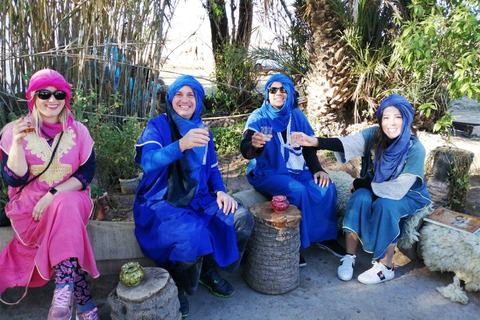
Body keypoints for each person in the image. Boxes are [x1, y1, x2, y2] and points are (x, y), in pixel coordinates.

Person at [133, 75, 254, 318]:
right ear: (170, 98)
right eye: (179, 94)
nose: (185, 100)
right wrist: (181, 145)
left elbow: (211, 169)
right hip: (162, 201)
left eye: (191, 95)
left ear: (198, 100)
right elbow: (148, 161)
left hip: (200, 199)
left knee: (241, 218)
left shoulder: (201, 129)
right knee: (191, 234)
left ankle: (209, 269)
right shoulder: (158, 126)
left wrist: (220, 191)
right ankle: (179, 285)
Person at [292, 94, 432, 284]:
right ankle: (349, 257)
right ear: (380, 119)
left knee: (385, 206)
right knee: (360, 198)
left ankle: (386, 266)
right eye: (386, 117)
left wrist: (359, 183)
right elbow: (346, 143)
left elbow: (397, 189)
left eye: (398, 117)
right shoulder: (374, 135)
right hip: (375, 186)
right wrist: (315, 141)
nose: (391, 123)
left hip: (407, 194)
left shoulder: (415, 149)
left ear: (406, 119)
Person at [0, 69, 100, 319]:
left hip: (73, 199)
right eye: (44, 93)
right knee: (67, 230)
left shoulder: (79, 131)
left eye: (59, 94)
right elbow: (14, 178)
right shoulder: (15, 131)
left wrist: (52, 194)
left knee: (64, 204)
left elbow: (86, 174)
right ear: (33, 97)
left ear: (66, 98)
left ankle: (63, 292)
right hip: (30, 209)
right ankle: (85, 306)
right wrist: (17, 145)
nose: (52, 100)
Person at [240, 73, 345, 267]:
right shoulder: (259, 117)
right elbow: (247, 148)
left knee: (326, 187)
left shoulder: (296, 115)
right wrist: (254, 145)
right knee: (297, 191)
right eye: (273, 89)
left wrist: (317, 170)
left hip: (297, 168)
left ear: (290, 93)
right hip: (268, 171)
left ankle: (324, 237)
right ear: (267, 93)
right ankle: (295, 244)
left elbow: (307, 146)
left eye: (283, 89)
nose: (278, 93)